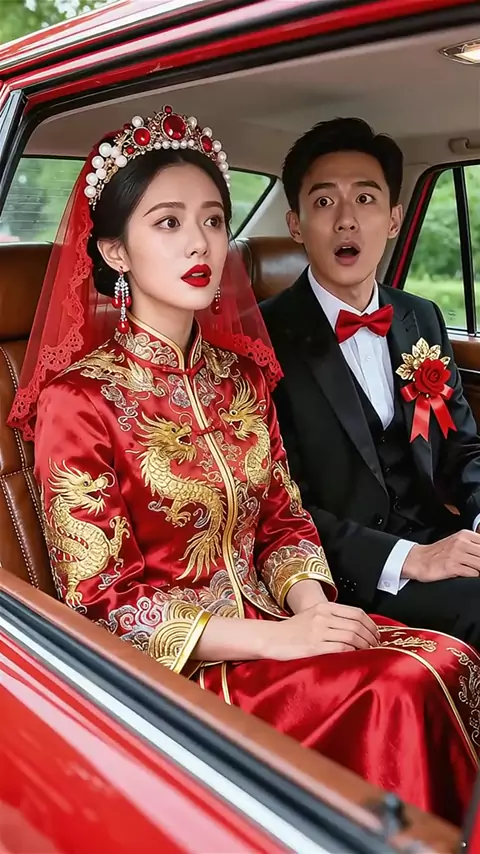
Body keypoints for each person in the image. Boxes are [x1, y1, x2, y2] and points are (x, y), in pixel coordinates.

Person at [8, 107, 479, 825]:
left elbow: (284, 522)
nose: (199, 241)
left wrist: (315, 609)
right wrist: (276, 639)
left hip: (280, 623)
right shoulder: (79, 402)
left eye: (212, 220)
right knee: (404, 685)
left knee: (445, 659)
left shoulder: (240, 377)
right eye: (168, 222)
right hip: (187, 670)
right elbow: (102, 604)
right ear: (115, 251)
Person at [262, 117, 480, 649]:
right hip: (346, 570)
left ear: (394, 219)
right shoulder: (262, 338)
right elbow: (277, 503)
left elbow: (463, 449)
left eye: (365, 199)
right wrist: (410, 558)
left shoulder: (420, 317)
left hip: (438, 538)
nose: (346, 220)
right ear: (296, 224)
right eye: (323, 202)